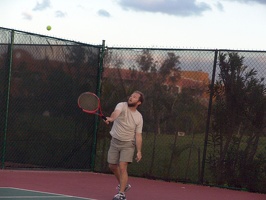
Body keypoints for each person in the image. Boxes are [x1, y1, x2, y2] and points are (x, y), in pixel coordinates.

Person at [104, 91, 144, 200]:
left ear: (139, 102)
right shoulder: (121, 105)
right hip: (115, 141)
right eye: (131, 96)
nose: (131, 97)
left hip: (128, 144)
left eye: (134, 97)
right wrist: (112, 119)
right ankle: (124, 185)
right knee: (112, 166)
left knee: (122, 166)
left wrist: (139, 151)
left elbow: (138, 135)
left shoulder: (139, 117)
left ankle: (121, 193)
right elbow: (116, 113)